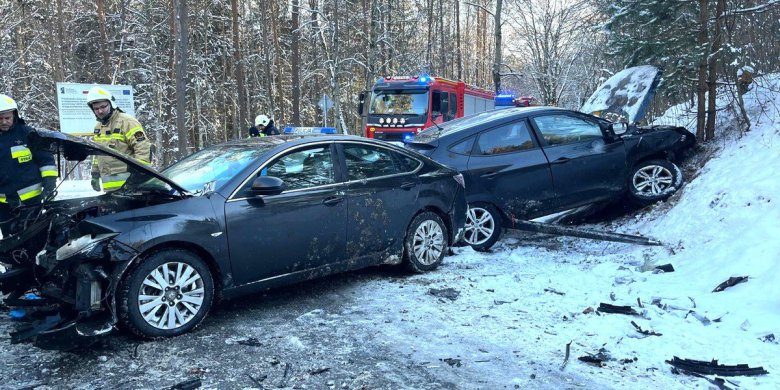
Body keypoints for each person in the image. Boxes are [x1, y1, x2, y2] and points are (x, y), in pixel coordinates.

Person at [0, 94, 57, 236]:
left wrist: (50, 183)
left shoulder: (28, 134)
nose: (4, 122)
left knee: (35, 237)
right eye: (0, 119)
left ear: (14, 115)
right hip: (4, 204)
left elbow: (46, 160)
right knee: (10, 241)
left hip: (32, 201)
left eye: (7, 118)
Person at [86, 86, 151, 192]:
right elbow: (97, 154)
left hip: (130, 185)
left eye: (103, 106)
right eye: (96, 109)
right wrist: (95, 173)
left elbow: (143, 148)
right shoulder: (98, 127)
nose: (100, 111)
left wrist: (139, 174)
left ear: (111, 104)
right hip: (109, 187)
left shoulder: (127, 121)